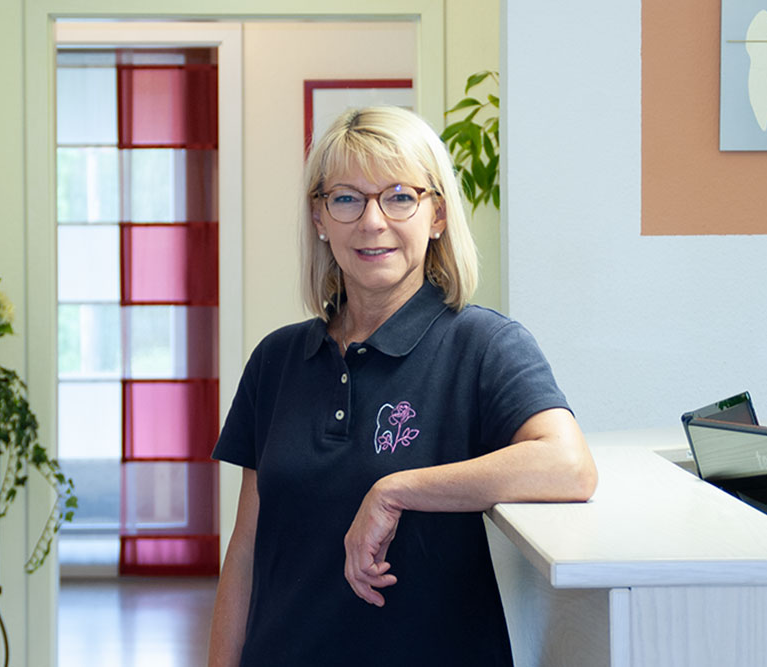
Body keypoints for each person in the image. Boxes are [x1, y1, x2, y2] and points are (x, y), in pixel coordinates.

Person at [207, 106, 597, 666]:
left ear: (436, 214)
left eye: (399, 196)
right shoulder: (277, 360)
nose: (371, 222)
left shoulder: (484, 345)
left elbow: (569, 466)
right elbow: (245, 549)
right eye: (345, 198)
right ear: (319, 218)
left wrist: (395, 490)